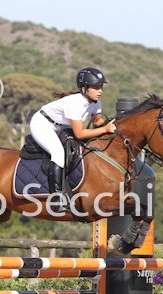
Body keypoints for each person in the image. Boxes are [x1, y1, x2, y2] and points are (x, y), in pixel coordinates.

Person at [29, 67, 117, 212]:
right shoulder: (75, 103)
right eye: (96, 87)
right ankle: (57, 199)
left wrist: (113, 124)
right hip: (42, 124)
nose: (100, 91)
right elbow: (80, 134)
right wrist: (105, 129)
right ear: (84, 88)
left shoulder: (96, 102)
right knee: (58, 153)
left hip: (62, 126)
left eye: (101, 87)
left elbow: (98, 121)